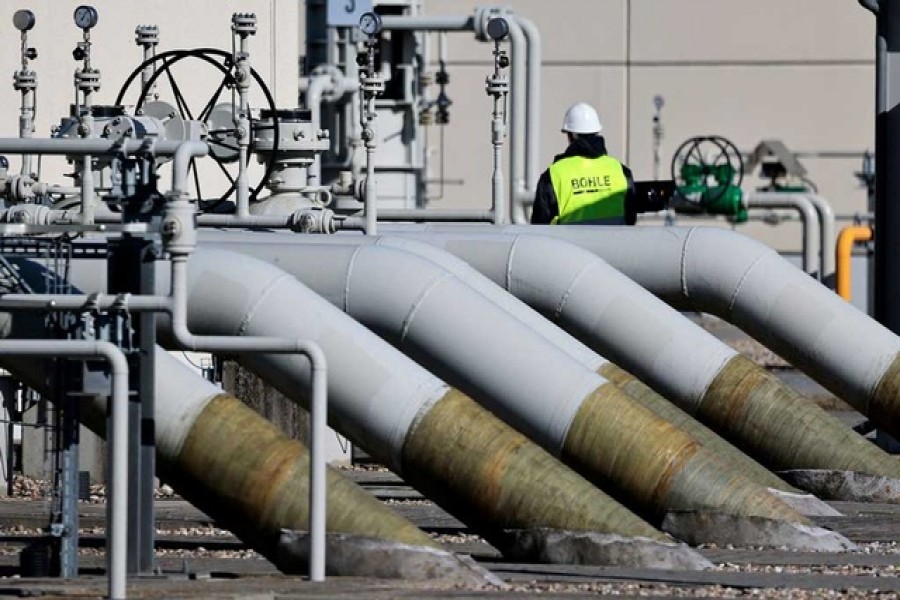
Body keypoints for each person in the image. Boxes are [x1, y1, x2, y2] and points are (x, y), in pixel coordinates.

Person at [531, 102, 637, 225]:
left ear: (571, 135)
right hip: (614, 244)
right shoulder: (620, 171)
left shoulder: (554, 175)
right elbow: (630, 219)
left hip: (567, 244)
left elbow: (539, 226)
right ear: (597, 132)